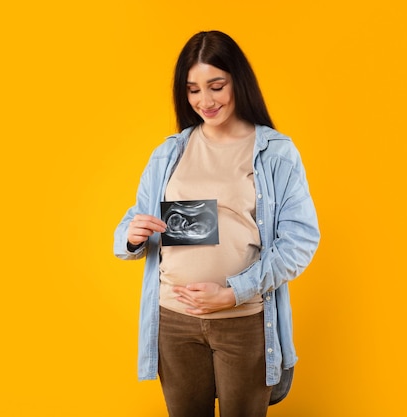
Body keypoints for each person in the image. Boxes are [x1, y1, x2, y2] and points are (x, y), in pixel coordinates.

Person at [114, 30, 320, 417]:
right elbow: (133, 220)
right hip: (174, 320)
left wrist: (234, 292)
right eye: (193, 90)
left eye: (216, 86)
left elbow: (299, 241)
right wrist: (131, 236)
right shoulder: (169, 152)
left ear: (238, 81)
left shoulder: (275, 152)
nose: (204, 101)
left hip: (242, 321)